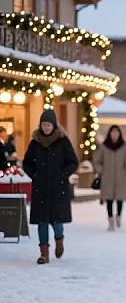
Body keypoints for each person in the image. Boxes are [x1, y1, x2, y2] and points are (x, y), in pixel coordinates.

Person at [22, 109, 78, 264]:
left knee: (56, 221)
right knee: (42, 221)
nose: (46, 127)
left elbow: (73, 162)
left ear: (54, 125)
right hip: (40, 188)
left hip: (58, 188)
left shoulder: (63, 141)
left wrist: (62, 175)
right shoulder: (35, 143)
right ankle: (44, 254)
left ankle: (59, 239)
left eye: (48, 124)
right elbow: (26, 163)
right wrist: (34, 175)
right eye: (44, 124)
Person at [93, 125, 126, 231]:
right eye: (113, 132)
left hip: (121, 177)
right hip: (108, 178)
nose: (114, 134)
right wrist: (101, 171)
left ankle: (119, 216)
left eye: (116, 132)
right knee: (109, 199)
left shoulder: (124, 147)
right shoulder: (104, 146)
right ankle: (110, 220)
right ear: (109, 133)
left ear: (119, 134)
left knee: (120, 199)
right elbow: (97, 161)